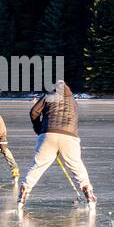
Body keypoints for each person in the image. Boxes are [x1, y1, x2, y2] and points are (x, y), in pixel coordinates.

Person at [18, 79, 96, 207]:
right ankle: (87, 190)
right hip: (70, 137)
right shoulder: (73, 101)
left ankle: (25, 189)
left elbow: (33, 112)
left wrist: (39, 129)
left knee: (38, 166)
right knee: (77, 166)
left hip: (48, 134)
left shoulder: (49, 96)